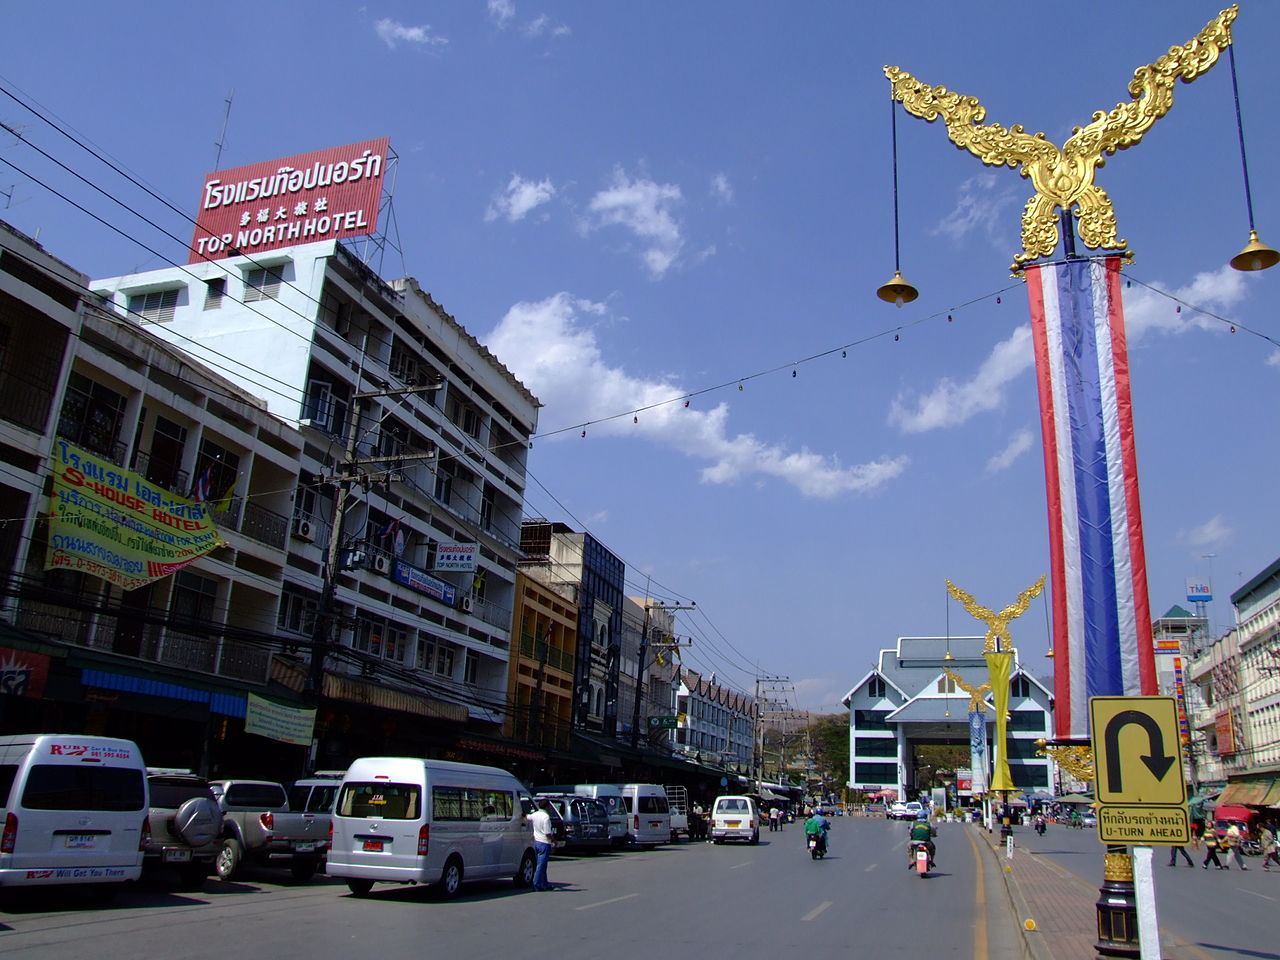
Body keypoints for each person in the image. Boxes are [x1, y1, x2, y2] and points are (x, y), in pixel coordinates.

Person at [529, 798, 555, 890]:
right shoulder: (546, 817)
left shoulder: (535, 814)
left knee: (542, 865)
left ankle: (545, 883)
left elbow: (527, 817)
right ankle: (536, 884)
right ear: (547, 806)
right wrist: (554, 841)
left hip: (536, 842)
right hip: (544, 843)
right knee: (541, 865)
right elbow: (548, 833)